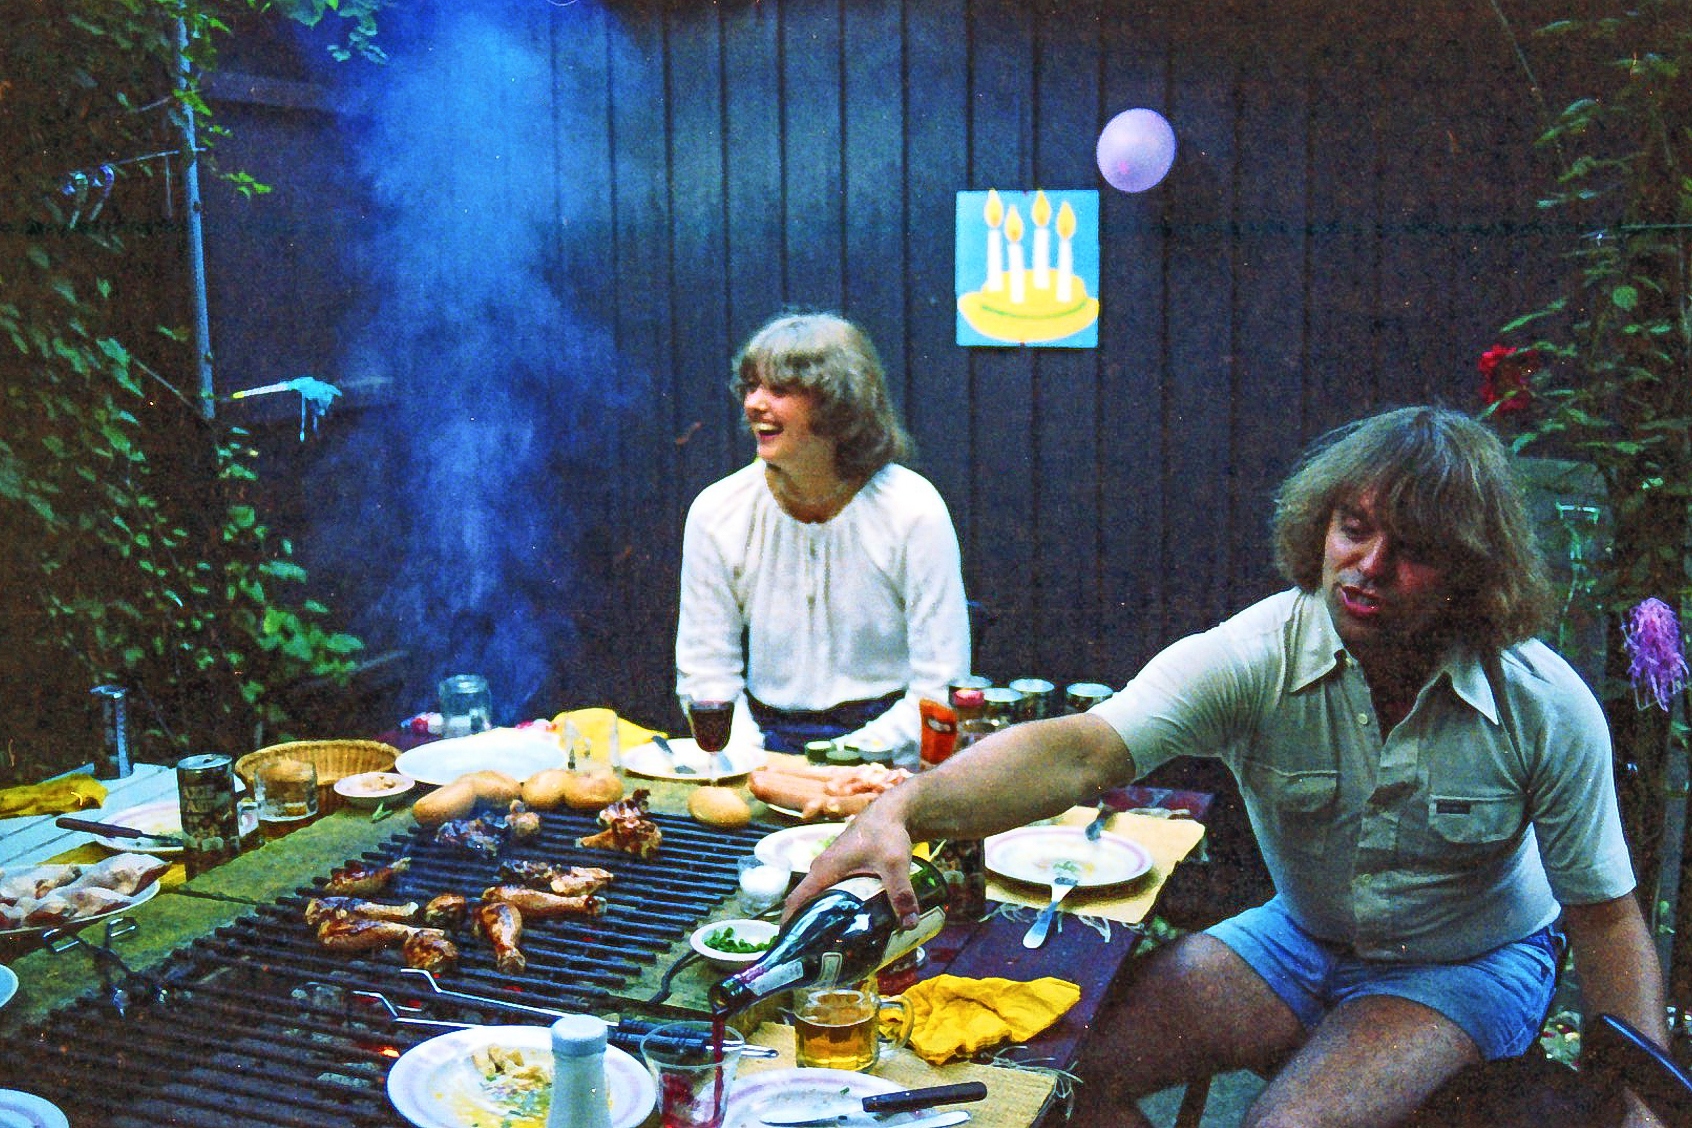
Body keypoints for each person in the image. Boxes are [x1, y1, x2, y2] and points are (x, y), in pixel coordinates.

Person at [790, 405, 1668, 1127]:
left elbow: (1605, 920)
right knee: (1056, 1079)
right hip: (1298, 938)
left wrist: (1644, 1100)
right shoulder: (1257, 652)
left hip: (1466, 965)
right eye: (1354, 529)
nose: (1369, 566)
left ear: (1468, 573)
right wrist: (901, 808)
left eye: (1412, 549)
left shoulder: (1541, 702)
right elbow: (1084, 750)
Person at [674, 311, 970, 761]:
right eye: (751, 386)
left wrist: (843, 759)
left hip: (888, 751)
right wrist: (757, 764)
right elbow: (706, 676)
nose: (753, 404)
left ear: (837, 405)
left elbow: (939, 686)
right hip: (761, 746)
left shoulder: (913, 508)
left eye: (779, 390)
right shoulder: (717, 511)